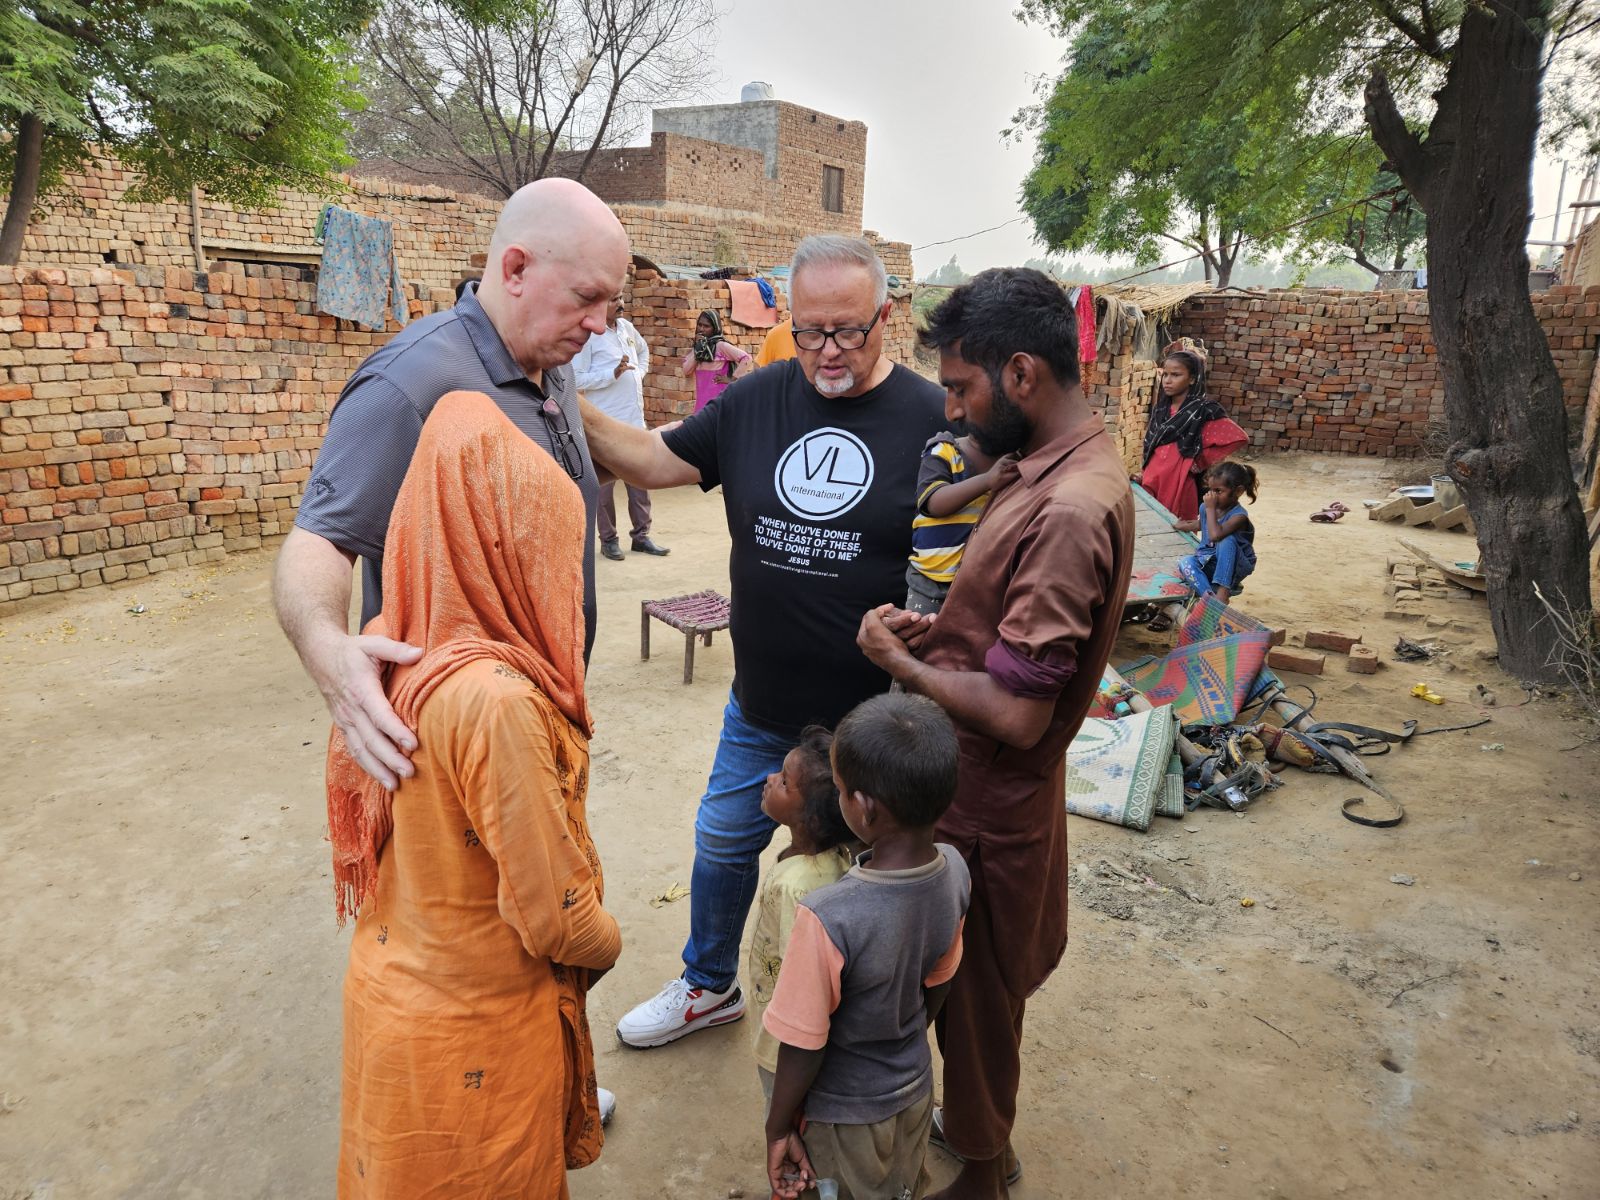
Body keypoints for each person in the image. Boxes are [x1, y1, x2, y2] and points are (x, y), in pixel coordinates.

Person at [274, 177, 627, 1123]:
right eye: (588, 300)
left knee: (535, 895)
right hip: (464, 727)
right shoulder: (412, 383)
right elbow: (317, 543)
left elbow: (608, 453)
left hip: (535, 698)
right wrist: (326, 647)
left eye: (612, 306)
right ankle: (479, 1106)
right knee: (489, 921)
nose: (601, 327)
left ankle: (540, 1067)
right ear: (514, 268)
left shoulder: (546, 360)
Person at [577, 234, 947, 1050]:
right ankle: (710, 985)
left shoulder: (932, 420)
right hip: (764, 707)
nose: (829, 352)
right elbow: (646, 458)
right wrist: (548, 385)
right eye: (811, 331)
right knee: (721, 842)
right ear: (789, 320)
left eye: (849, 330)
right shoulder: (756, 402)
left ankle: (861, 1029)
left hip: (875, 722)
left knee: (862, 882)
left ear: (887, 317)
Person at [856, 268, 1134, 1200]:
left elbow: (1018, 712)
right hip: (990, 788)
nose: (953, 408)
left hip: (985, 799)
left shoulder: (1065, 509)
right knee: (972, 997)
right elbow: (1016, 645)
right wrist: (951, 636)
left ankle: (982, 1167)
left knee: (975, 1006)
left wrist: (907, 670)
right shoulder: (1057, 468)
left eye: (964, 388)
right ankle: (981, 1137)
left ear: (1021, 375)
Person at [331, 390, 620, 1199]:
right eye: (546, 551)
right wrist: (611, 942)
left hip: (395, 1005)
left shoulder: (393, 639)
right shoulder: (495, 700)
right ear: (507, 548)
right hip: (476, 1037)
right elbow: (555, 916)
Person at [762, 692, 970, 1200]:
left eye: (837, 789)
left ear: (863, 807)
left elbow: (803, 1043)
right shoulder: (955, 869)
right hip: (915, 1089)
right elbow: (938, 982)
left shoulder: (827, 915)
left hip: (842, 1115)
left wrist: (778, 1126)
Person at [745, 726, 855, 1102]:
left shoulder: (798, 887)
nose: (769, 779)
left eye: (784, 782)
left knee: (786, 1113)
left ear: (810, 818)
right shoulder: (838, 858)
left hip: (786, 1042)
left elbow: (802, 981)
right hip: (789, 1027)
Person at [571, 290, 670, 560]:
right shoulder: (590, 336)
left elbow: (643, 350)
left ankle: (641, 536)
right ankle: (609, 540)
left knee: (640, 480)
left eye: (621, 298)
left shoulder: (626, 328)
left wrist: (639, 372)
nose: (621, 303)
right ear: (601, 306)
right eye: (615, 300)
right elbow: (576, 378)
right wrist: (611, 375)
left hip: (634, 421)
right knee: (604, 487)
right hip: (606, 424)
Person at [1131, 338, 1247, 522]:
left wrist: (1200, 461)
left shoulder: (1204, 409)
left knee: (1176, 526)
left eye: (1176, 375)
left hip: (1180, 479)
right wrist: (1144, 472)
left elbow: (1237, 437)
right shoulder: (1161, 409)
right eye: (1165, 375)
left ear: (1192, 379)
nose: (1168, 381)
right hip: (1153, 476)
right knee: (1149, 523)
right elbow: (1152, 446)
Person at [905, 431, 998, 614]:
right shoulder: (944, 450)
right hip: (932, 581)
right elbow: (933, 503)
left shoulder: (1017, 456)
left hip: (981, 583)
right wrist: (987, 480)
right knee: (919, 635)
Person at [1177, 460, 1258, 603]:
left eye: (1218, 491)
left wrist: (1210, 509)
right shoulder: (1205, 508)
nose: (1212, 496)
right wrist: (1185, 525)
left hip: (1234, 566)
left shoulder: (1239, 516)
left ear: (1238, 491)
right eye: (1210, 490)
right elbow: (1204, 524)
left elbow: (1215, 535)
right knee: (1185, 562)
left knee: (1226, 540)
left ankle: (1223, 591)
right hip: (1209, 561)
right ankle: (1211, 601)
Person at [680, 308, 754, 411]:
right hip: (702, 405)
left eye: (706, 326)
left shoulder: (721, 346)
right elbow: (686, 370)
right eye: (700, 325)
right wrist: (699, 349)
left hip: (719, 403)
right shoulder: (698, 349)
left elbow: (746, 358)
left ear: (715, 328)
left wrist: (732, 379)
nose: (701, 329)